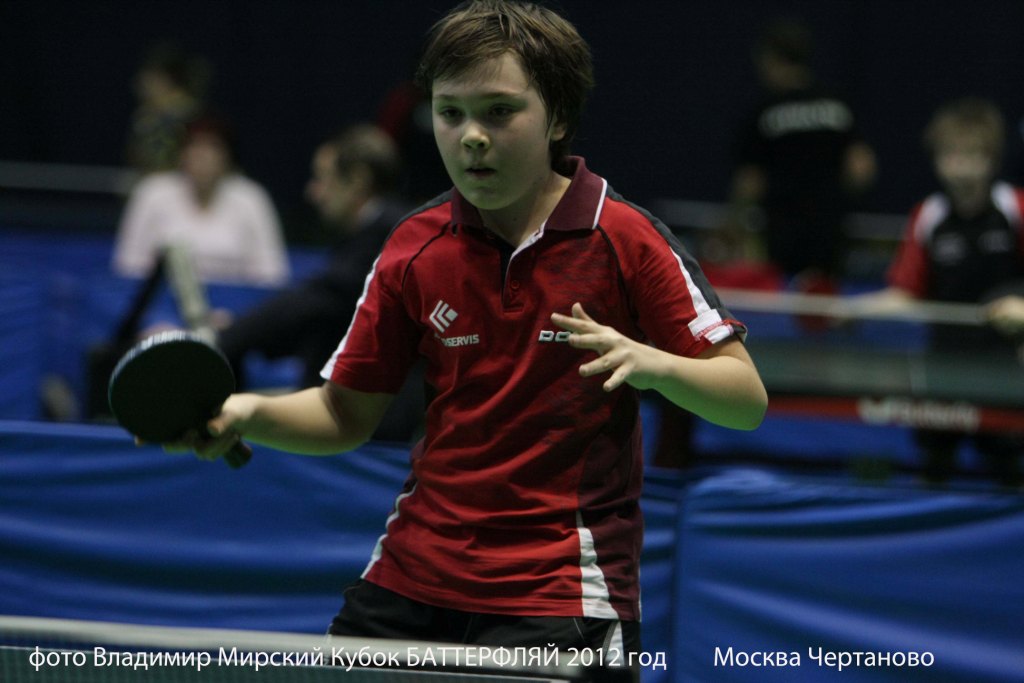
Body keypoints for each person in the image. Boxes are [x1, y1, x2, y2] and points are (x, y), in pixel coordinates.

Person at [166, 0, 766, 656]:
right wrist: (248, 411)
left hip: (561, 592)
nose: (471, 136)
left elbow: (744, 399)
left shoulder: (625, 238)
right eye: (450, 113)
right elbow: (345, 413)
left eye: (499, 112)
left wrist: (653, 364)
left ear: (558, 118)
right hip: (412, 576)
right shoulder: (415, 247)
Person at [216, 124, 424, 442]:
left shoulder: (390, 235)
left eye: (322, 178)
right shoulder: (370, 234)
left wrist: (226, 337)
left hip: (379, 431)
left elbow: (317, 300)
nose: (313, 192)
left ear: (357, 180)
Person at [857, 97, 1024, 487]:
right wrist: (848, 310)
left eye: (972, 156)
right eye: (951, 156)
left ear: (992, 159)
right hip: (944, 365)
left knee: (1009, 471)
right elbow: (905, 293)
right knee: (935, 467)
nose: (961, 168)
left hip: (1005, 366)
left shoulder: (1014, 208)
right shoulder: (928, 215)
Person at [722, 18, 876, 291]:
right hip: (830, 228)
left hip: (783, 230)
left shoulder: (765, 112)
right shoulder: (836, 104)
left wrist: (735, 221)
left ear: (771, 59)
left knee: (786, 304)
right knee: (825, 301)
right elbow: (861, 168)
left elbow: (751, 181)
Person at [112, 115, 290, 287]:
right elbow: (129, 265)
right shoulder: (152, 192)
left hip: (235, 304)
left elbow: (271, 273)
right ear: (181, 154)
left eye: (212, 147)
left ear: (228, 156)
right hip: (161, 303)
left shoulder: (251, 198)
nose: (202, 155)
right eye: (194, 146)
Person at [125, 42, 211, 175]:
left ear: (165, 79)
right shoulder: (148, 115)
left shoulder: (190, 115)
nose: (140, 85)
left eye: (149, 78)